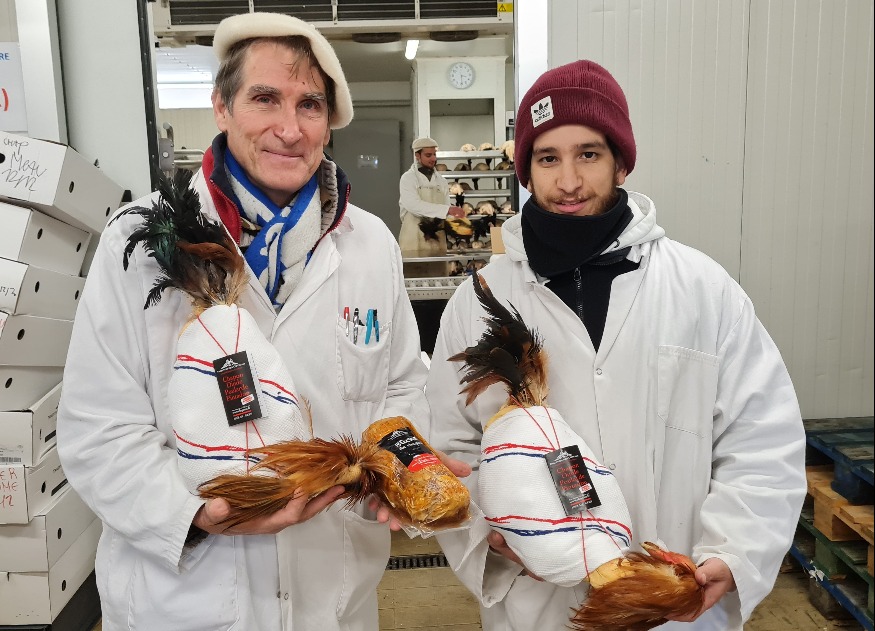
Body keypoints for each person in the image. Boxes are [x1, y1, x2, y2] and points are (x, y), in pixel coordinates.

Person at [56, 12, 435, 631]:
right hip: (186, 601)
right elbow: (98, 427)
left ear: (329, 123)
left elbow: (402, 387)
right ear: (221, 107)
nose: (289, 128)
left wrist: (397, 466)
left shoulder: (370, 245)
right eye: (265, 99)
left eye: (310, 105)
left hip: (332, 596)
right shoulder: (139, 243)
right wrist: (197, 514)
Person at [426, 60, 807, 630]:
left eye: (589, 154)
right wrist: (493, 530)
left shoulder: (703, 291)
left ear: (621, 162)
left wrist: (735, 552)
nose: (569, 181)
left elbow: (761, 439)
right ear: (526, 171)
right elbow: (450, 444)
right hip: (540, 603)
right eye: (547, 158)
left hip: (678, 601)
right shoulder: (479, 302)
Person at [398, 137, 465, 258]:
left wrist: (457, 225)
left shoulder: (441, 181)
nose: (433, 159)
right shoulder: (408, 178)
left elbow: (446, 210)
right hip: (413, 239)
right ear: (417, 155)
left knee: (437, 269)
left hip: (437, 239)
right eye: (428, 155)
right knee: (415, 270)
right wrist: (447, 210)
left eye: (434, 154)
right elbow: (413, 205)